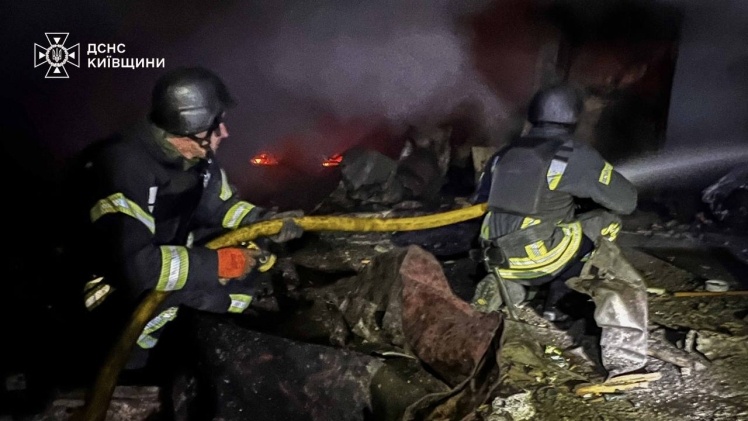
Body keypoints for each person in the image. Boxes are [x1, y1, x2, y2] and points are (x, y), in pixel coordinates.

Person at [60, 66, 304, 373]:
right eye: (216, 125)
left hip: (159, 263)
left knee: (243, 272)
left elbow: (223, 207)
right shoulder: (124, 167)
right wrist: (218, 265)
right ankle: (129, 370)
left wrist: (265, 221)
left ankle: (192, 351)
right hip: (105, 291)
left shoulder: (197, 160)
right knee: (199, 288)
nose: (225, 133)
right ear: (191, 127)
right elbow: (135, 267)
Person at [470, 84, 648, 378]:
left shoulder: (504, 154)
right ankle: (625, 357)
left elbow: (482, 201)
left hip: (496, 256)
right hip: (542, 255)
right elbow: (626, 201)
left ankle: (510, 291)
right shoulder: (572, 153)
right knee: (607, 222)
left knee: (552, 227)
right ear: (574, 117)